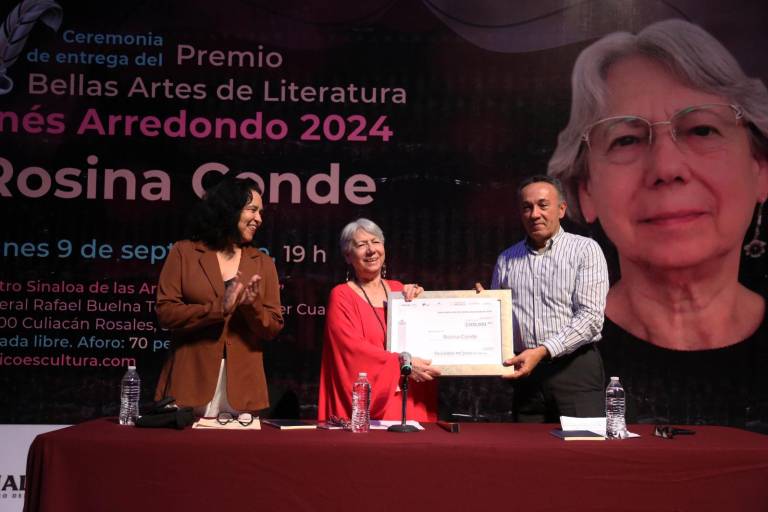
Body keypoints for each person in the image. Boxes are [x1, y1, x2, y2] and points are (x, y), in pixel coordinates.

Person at [548, 19, 768, 429]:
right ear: (585, 190)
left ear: (761, 170)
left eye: (702, 129)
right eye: (627, 140)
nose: (667, 168)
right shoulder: (555, 354)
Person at [479, 175, 609, 422]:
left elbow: (591, 318)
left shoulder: (585, 250)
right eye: (526, 207)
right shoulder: (506, 259)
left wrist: (543, 351)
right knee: (527, 446)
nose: (534, 214)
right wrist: (482, 308)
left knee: (583, 445)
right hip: (526, 375)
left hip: (575, 369)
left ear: (561, 209)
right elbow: (499, 320)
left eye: (543, 205)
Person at [154, 177, 284, 417]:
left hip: (242, 390)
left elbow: (272, 328)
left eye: (260, 212)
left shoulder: (263, 263)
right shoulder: (184, 253)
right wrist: (219, 308)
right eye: (252, 210)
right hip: (189, 382)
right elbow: (165, 314)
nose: (259, 219)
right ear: (229, 210)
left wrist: (251, 307)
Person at [318, 218, 441, 422]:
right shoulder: (341, 296)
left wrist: (422, 304)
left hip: (408, 398)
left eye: (376, 242)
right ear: (348, 256)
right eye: (361, 244)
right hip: (368, 404)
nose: (371, 250)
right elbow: (352, 352)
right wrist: (402, 364)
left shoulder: (400, 291)